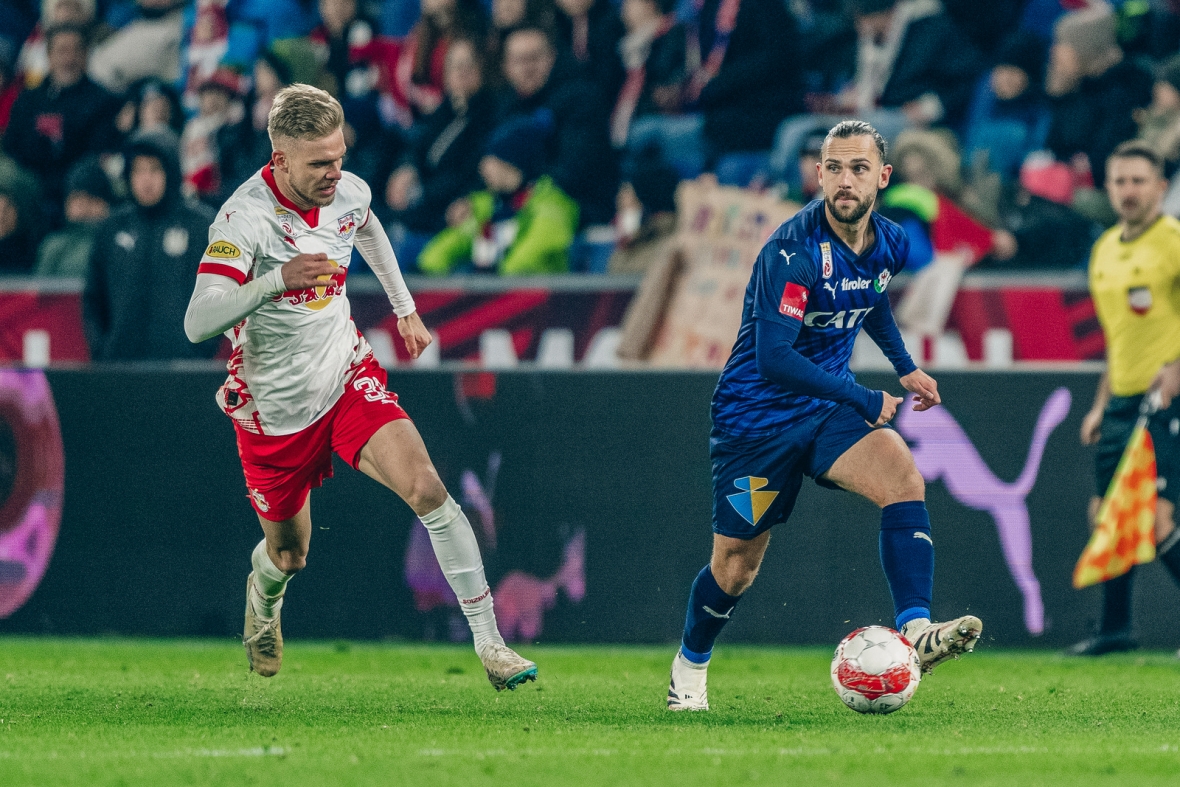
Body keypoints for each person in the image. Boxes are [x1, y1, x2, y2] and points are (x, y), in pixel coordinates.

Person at [182, 83, 536, 689]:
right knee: (290, 554)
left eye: (339, 156)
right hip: (274, 409)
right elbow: (197, 322)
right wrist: (274, 281)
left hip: (346, 376)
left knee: (427, 488)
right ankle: (262, 602)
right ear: (280, 157)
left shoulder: (346, 189)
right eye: (319, 162)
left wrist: (405, 309)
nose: (334, 172)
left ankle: (493, 647)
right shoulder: (244, 220)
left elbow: (365, 225)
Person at [666, 120, 982, 711]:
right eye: (833, 168)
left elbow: (872, 297)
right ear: (818, 175)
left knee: (900, 474)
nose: (844, 180)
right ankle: (691, 664)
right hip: (755, 421)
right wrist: (865, 397)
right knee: (735, 568)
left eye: (858, 168)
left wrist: (905, 365)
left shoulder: (891, 242)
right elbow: (775, 357)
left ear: (882, 177)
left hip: (824, 408)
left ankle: (915, 632)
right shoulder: (792, 252)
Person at [1070, 141, 1180, 656]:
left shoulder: (1173, 242)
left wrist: (1176, 368)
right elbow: (1119, 339)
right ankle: (1115, 630)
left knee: (1156, 517)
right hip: (1121, 398)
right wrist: (1099, 403)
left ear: (1161, 186)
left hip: (1166, 400)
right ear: (1108, 188)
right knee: (1105, 513)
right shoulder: (1105, 248)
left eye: (1139, 181)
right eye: (1120, 181)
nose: (1129, 191)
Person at [84, 130, 219, 360]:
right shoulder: (112, 227)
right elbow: (94, 299)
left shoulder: (201, 226)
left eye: (155, 169)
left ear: (171, 172)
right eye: (138, 170)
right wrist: (104, 350)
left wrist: (197, 354)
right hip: (120, 369)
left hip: (182, 373)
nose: (146, 179)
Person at [417, 112, 578, 275]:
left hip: (537, 298)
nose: (483, 169)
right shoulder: (487, 206)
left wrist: (494, 285)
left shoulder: (552, 204)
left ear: (513, 163)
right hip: (493, 296)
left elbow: (530, 255)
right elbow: (448, 245)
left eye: (492, 160)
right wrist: (430, 272)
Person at [2, 23, 119, 225]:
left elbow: (97, 156)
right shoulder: (27, 100)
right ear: (49, 56)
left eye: (76, 51)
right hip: (27, 192)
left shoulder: (102, 101)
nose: (69, 58)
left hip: (73, 192)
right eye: (62, 51)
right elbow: (12, 148)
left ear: (85, 55)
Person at [34, 155, 114, 276]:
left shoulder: (117, 244)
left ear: (106, 204)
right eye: (77, 200)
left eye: (92, 200)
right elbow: (41, 290)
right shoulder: (54, 246)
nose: (84, 208)